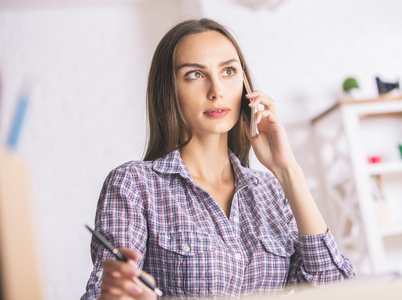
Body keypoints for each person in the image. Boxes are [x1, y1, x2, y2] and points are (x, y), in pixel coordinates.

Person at [81, 18, 355, 300]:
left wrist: (288, 171)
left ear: (246, 87)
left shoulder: (270, 191)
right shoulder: (134, 184)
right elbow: (103, 290)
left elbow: (337, 290)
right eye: (195, 75)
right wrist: (115, 294)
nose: (216, 91)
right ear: (169, 90)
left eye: (228, 71)